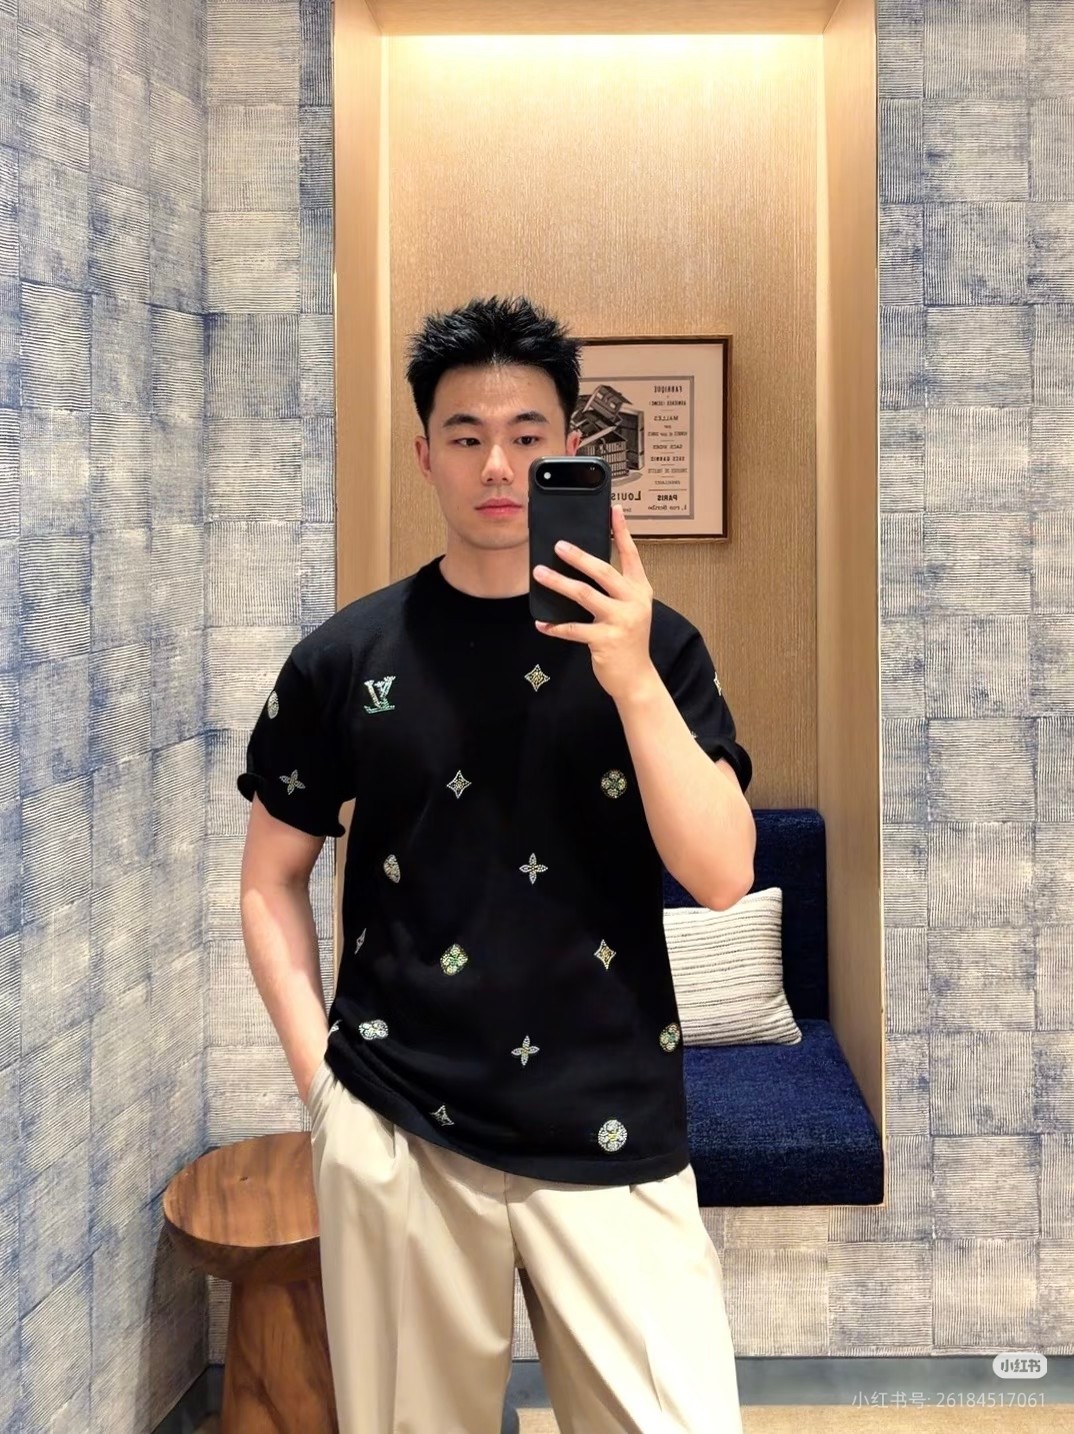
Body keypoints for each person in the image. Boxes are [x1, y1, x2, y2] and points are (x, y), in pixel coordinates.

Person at [237, 294, 755, 1433]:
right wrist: (323, 1089)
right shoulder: (346, 657)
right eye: (465, 436)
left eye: (527, 436)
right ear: (425, 454)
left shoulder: (658, 646)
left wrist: (630, 677)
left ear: (571, 447)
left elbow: (722, 875)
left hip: (613, 1118)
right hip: (399, 1121)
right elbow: (269, 876)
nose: (498, 465)